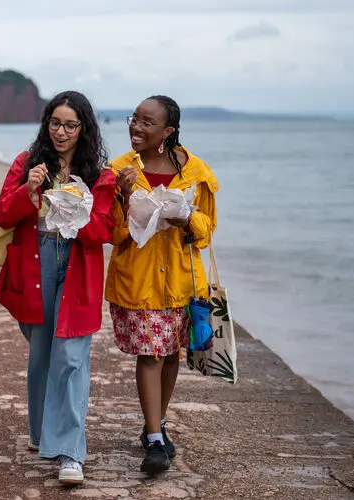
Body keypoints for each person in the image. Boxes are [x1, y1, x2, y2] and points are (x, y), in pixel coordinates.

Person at [0, 91, 117, 485]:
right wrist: (28, 191)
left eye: (71, 125)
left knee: (72, 355)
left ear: (84, 129)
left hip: (78, 263)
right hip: (36, 259)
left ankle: (71, 453)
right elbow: (2, 214)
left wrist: (76, 215)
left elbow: (105, 230)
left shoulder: (100, 174)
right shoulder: (27, 164)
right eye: (55, 123)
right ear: (46, 124)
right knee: (42, 351)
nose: (61, 132)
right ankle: (42, 432)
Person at [105, 95, 218, 475]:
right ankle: (154, 438)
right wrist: (122, 196)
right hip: (138, 279)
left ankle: (157, 424)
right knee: (151, 354)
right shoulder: (119, 170)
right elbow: (114, 234)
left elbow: (207, 232)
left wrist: (186, 218)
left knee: (171, 355)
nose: (136, 127)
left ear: (168, 130)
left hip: (184, 279)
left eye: (147, 122)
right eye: (134, 119)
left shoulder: (196, 172)